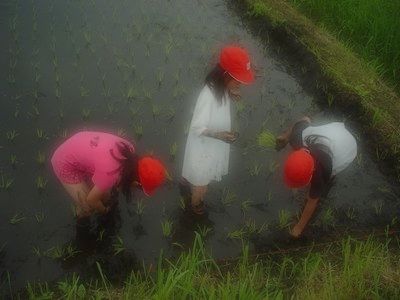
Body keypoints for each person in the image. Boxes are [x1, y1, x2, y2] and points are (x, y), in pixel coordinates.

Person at [181, 46, 255, 215]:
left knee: (195, 173)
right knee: (201, 186)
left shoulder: (221, 87)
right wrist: (218, 135)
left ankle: (185, 181)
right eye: (237, 80)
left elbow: (227, 89)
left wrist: (231, 93)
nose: (240, 84)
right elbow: (197, 127)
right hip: (203, 146)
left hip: (212, 144)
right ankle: (195, 205)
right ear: (225, 75)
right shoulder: (208, 96)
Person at [51, 131, 166, 218]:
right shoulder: (112, 174)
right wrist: (104, 211)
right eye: (140, 187)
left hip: (79, 143)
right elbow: (92, 200)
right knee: (87, 207)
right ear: (136, 182)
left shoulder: (129, 148)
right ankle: (81, 223)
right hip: (64, 161)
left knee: (104, 194)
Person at [277, 117, 357, 238]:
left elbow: (311, 203)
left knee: (327, 182)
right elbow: (304, 119)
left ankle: (327, 179)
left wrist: (298, 227)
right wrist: (285, 136)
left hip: (346, 147)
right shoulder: (298, 137)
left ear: (311, 175)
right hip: (332, 131)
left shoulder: (319, 173)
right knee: (303, 125)